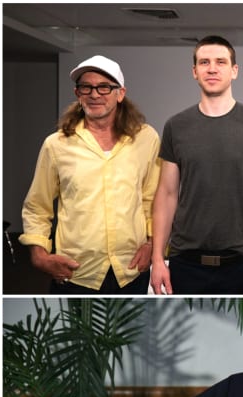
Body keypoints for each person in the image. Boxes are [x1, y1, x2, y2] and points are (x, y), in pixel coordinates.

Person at [19, 55, 160, 294]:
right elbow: (37, 206)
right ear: (78, 93)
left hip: (131, 270)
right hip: (76, 273)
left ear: (120, 93)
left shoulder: (146, 138)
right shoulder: (57, 144)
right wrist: (40, 256)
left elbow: (153, 199)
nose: (94, 94)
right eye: (86, 87)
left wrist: (152, 244)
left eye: (104, 87)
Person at [150, 35, 243, 295]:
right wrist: (156, 260)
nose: (212, 68)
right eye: (204, 62)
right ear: (194, 71)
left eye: (221, 62)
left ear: (234, 71)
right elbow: (166, 194)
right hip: (184, 263)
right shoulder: (176, 126)